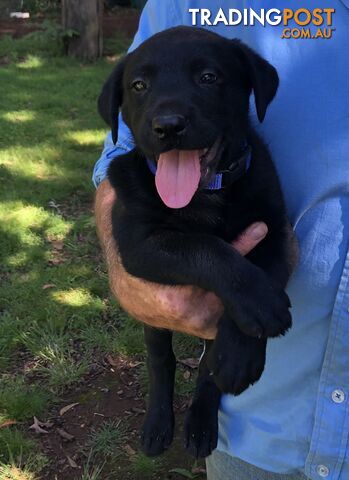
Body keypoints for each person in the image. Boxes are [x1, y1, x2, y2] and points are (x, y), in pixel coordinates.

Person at [93, 1, 349, 479]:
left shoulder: (254, 170)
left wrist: (244, 325)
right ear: (121, 109)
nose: (167, 117)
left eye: (207, 78)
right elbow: (142, 249)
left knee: (240, 310)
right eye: (141, 89)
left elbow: (273, 247)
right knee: (161, 326)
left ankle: (206, 398)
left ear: (251, 92)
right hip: (260, 439)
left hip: (274, 404)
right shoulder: (178, 8)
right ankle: (161, 394)